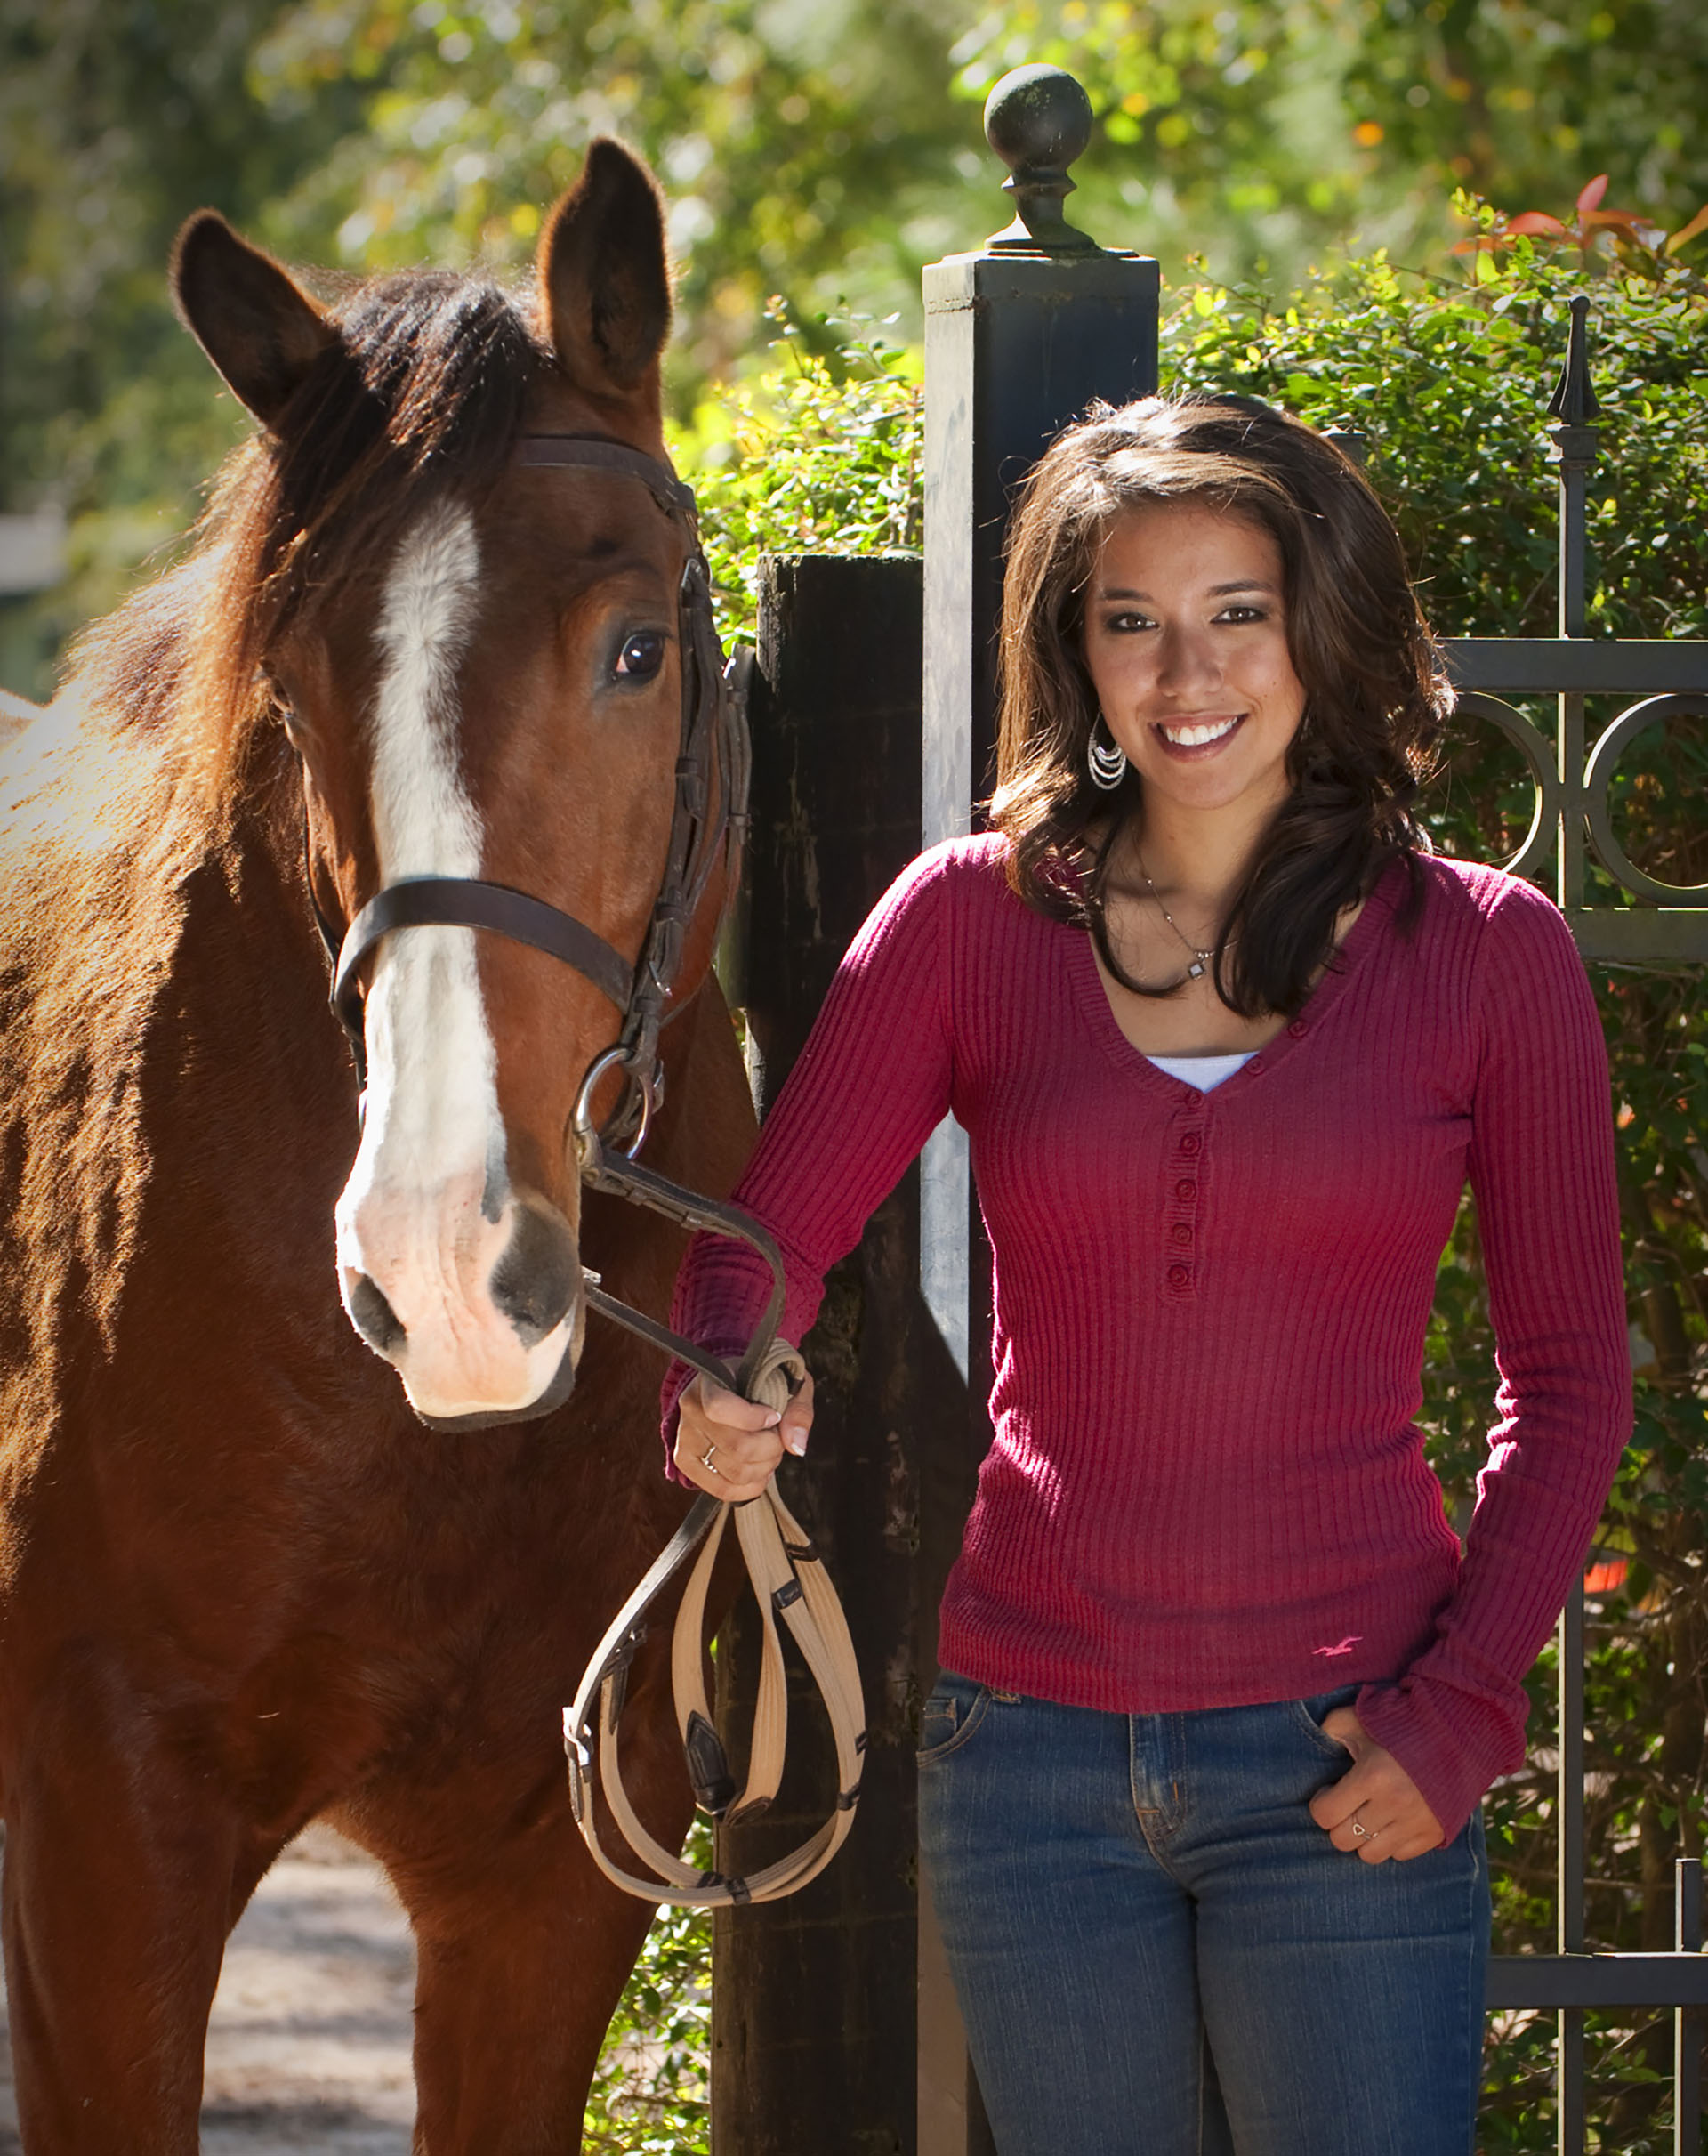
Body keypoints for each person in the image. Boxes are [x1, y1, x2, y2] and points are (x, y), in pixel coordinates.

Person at [662, 395, 1631, 2156]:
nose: (1187, 672)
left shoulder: (1490, 956)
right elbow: (760, 1250)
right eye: (1131, 622)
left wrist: (1462, 1714)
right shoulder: (968, 922)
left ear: (1316, 630)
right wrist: (727, 1376)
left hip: (1349, 1756)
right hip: (1023, 1758)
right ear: (1079, 656)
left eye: (1235, 613)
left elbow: (1570, 1381)